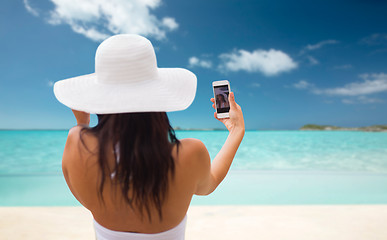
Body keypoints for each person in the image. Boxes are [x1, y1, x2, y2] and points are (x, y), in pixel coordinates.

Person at [54, 34, 244, 240]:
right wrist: (236, 130)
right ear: (157, 97)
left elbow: (83, 192)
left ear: (100, 99)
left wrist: (82, 124)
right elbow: (210, 183)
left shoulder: (77, 143)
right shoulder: (190, 153)